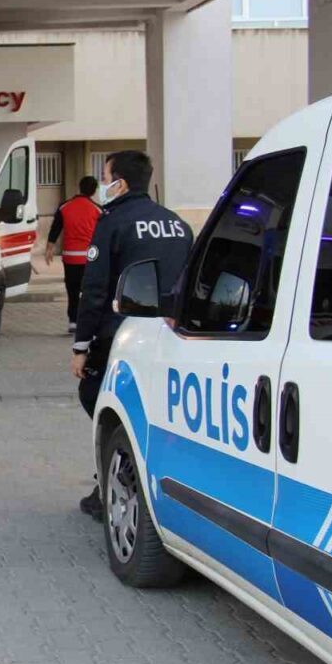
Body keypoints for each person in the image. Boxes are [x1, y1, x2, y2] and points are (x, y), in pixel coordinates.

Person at [71, 151, 192, 520]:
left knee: (98, 397)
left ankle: (112, 484)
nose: (103, 184)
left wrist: (81, 346)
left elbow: (94, 290)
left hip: (122, 336)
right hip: (172, 335)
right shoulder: (177, 223)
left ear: (119, 183)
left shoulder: (113, 223)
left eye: (105, 176)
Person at [44, 176, 101, 334]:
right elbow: (102, 234)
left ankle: (73, 321)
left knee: (72, 289)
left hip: (70, 257)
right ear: (94, 190)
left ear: (80, 187)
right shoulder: (97, 209)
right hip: (89, 258)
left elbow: (55, 228)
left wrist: (49, 249)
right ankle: (88, 321)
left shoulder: (65, 207)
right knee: (89, 291)